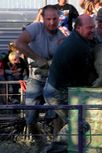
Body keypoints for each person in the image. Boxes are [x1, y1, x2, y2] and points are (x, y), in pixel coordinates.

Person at [15, 5, 66, 151]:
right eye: (48, 19)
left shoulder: (61, 36)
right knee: (30, 119)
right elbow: (19, 43)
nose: (51, 22)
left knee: (58, 115)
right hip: (35, 78)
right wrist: (38, 58)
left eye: (54, 19)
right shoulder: (35, 28)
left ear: (59, 18)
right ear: (43, 18)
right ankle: (41, 144)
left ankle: (56, 147)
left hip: (53, 80)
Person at [43, 14, 97, 145]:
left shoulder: (77, 39)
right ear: (78, 28)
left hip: (55, 88)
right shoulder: (79, 46)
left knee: (77, 123)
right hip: (57, 92)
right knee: (79, 124)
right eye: (90, 27)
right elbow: (85, 78)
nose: (93, 30)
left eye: (93, 27)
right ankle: (53, 149)